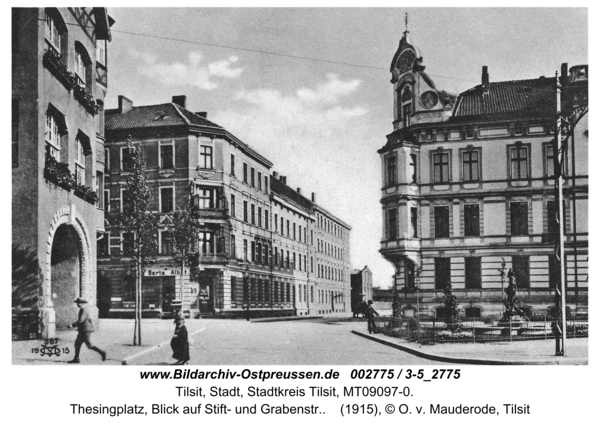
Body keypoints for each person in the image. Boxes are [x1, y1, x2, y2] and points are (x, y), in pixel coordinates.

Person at [68, 297, 107, 363]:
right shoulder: (84, 309)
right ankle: (76, 358)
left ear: (82, 303)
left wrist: (73, 325)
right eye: (77, 303)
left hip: (85, 330)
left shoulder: (84, 310)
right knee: (77, 344)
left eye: (78, 303)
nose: (77, 304)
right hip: (84, 330)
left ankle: (102, 352)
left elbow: (81, 320)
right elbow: (90, 319)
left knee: (89, 345)